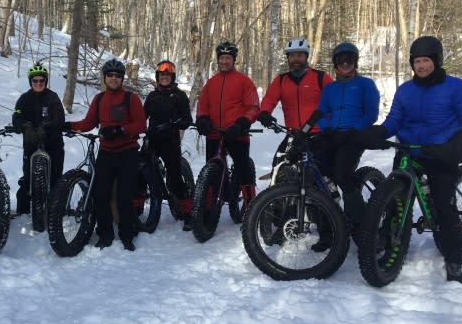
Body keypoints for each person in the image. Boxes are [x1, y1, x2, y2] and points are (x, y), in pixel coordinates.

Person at [358, 36, 462, 283]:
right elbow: (394, 120)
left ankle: (455, 258)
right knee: (393, 200)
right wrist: (380, 132)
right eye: (417, 62)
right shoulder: (406, 91)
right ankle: (390, 238)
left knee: (443, 205)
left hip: (441, 152)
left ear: (436, 61)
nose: (421, 66)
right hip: (408, 151)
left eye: (426, 61)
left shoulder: (456, 88)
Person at [63, 59, 147, 251]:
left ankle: (127, 236)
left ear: (122, 79)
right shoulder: (99, 99)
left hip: (128, 153)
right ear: (105, 78)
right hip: (107, 154)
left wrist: (120, 130)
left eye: (117, 76)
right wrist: (69, 126)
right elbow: (89, 122)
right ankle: (106, 235)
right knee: (100, 195)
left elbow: (141, 125)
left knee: (125, 197)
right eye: (110, 75)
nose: (114, 79)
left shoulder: (131, 99)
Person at [309, 42, 380, 252]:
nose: (346, 63)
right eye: (341, 59)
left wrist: (353, 130)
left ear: (355, 62)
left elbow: (371, 113)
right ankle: (327, 231)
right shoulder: (330, 88)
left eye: (350, 59)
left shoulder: (366, 85)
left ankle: (362, 230)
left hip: (353, 137)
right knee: (316, 175)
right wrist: (326, 128)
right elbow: (321, 111)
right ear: (335, 64)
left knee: (342, 174)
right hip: (331, 135)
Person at [194, 41, 260, 229]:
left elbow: (254, 106)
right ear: (218, 60)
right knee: (212, 170)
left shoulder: (244, 81)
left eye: (227, 58)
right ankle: (206, 208)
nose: (224, 61)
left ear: (233, 60)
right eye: (221, 58)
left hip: (237, 133)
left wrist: (242, 123)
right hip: (215, 133)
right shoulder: (211, 83)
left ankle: (250, 207)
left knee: (243, 167)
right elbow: (202, 105)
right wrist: (202, 119)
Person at [258, 38, 332, 175]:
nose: (295, 59)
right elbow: (269, 99)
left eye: (299, 55)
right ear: (288, 59)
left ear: (306, 57)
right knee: (278, 168)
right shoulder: (281, 80)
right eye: (292, 56)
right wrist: (264, 113)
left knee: (319, 172)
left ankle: (325, 195)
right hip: (293, 134)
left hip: (317, 134)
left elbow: (335, 101)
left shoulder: (320, 77)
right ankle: (281, 195)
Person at [11, 62, 66, 220]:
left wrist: (45, 127)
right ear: (30, 82)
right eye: (35, 81)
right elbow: (16, 117)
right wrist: (25, 126)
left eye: (41, 81)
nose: (38, 83)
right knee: (27, 176)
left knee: (55, 177)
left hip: (53, 143)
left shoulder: (53, 97)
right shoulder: (24, 98)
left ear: (46, 82)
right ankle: (23, 210)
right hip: (31, 143)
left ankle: (56, 210)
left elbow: (59, 119)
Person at [142, 59, 193, 219]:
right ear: (157, 76)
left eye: (168, 74)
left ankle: (187, 212)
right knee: (140, 173)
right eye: (162, 74)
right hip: (152, 140)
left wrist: (174, 124)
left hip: (170, 141)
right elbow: (142, 116)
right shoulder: (152, 96)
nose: (164, 77)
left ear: (172, 77)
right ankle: (136, 210)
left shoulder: (179, 96)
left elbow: (187, 119)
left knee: (175, 177)